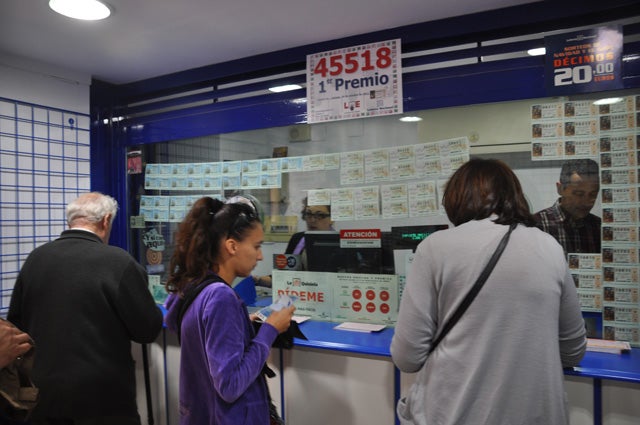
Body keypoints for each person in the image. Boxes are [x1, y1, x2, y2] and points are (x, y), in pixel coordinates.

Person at [391, 158, 587, 425]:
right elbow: (573, 351)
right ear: (514, 196)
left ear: (456, 198)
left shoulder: (435, 248)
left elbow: (407, 357)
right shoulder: (549, 247)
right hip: (537, 415)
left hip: (455, 413)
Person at [8, 192, 163, 425]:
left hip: (41, 395)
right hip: (103, 399)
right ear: (106, 220)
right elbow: (147, 330)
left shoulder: (36, 259)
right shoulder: (118, 262)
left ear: (71, 220)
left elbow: (15, 326)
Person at [164, 197, 295, 425]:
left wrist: (241, 323)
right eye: (256, 246)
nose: (260, 256)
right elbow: (230, 385)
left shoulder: (195, 286)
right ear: (232, 246)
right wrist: (270, 330)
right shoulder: (221, 297)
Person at [254, 197, 333, 287]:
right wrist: (258, 280)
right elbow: (283, 276)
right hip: (300, 293)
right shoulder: (298, 239)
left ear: (332, 219)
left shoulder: (340, 242)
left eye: (320, 215)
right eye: (308, 214)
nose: (312, 220)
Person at [534, 158, 601, 255]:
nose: (586, 202)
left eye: (593, 194)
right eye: (579, 194)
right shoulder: (536, 225)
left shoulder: (599, 227)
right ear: (560, 189)